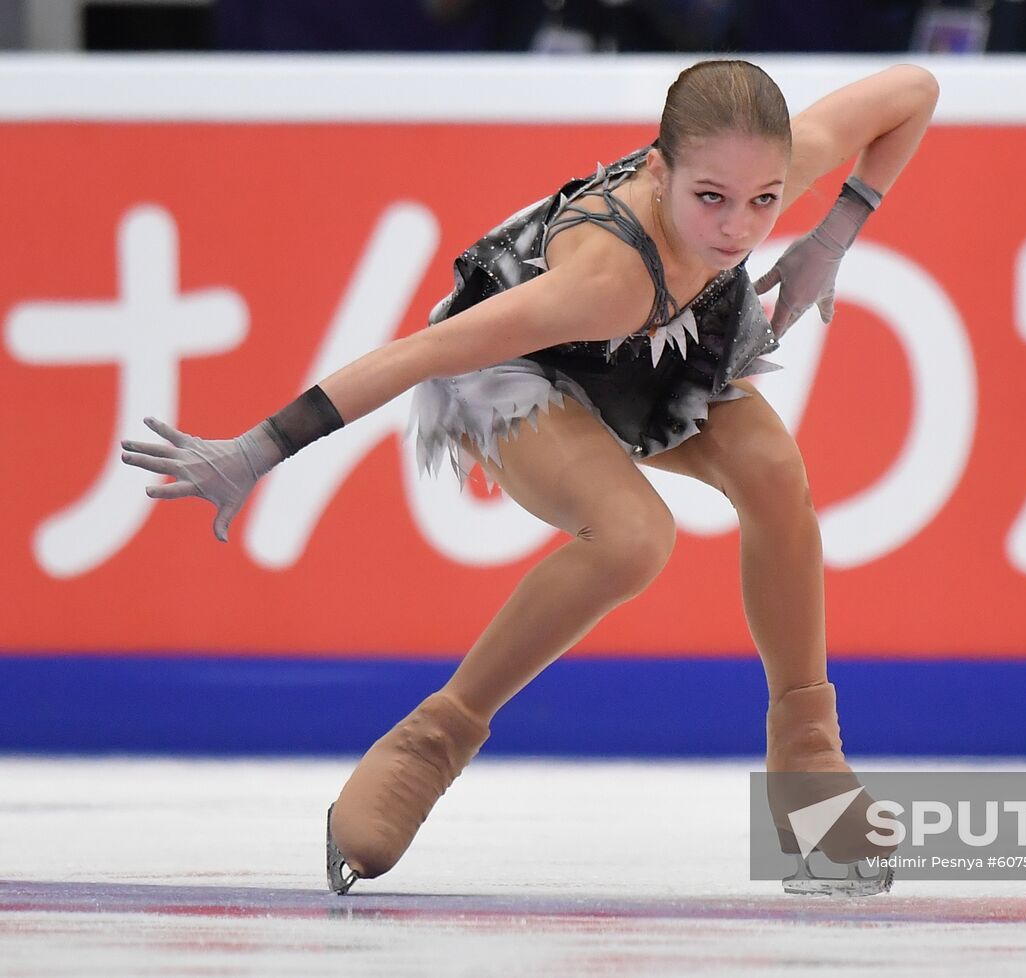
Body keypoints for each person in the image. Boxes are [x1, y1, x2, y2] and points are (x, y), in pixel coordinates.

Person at [119, 59, 940, 897]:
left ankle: (809, 758)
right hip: (524, 368)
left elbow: (913, 92)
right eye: (712, 199)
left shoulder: (765, 166)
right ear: (660, 171)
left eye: (765, 200)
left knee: (775, 474)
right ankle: (432, 740)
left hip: (665, 340)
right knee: (631, 539)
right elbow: (423, 352)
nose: (739, 228)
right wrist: (258, 448)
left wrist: (831, 237)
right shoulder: (605, 279)